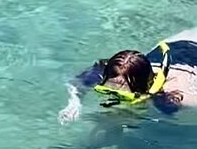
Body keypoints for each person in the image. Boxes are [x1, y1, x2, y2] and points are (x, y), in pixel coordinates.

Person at [58, 29, 197, 125]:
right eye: (106, 90)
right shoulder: (107, 72)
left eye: (123, 96)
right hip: (171, 45)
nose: (113, 96)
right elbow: (75, 84)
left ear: (143, 89)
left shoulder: (173, 98)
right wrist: (74, 103)